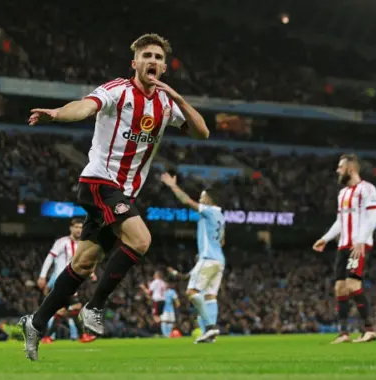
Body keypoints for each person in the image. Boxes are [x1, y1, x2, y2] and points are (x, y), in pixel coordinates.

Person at [19, 32, 209, 361]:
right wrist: (58, 114)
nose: (153, 61)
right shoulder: (117, 91)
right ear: (134, 62)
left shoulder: (165, 104)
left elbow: (202, 131)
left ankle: (36, 322)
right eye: (147, 55)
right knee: (140, 239)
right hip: (98, 182)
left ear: (164, 67)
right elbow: (85, 106)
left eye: (159, 57)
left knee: (83, 262)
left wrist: (177, 97)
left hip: (124, 192)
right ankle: (94, 307)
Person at [312, 154, 376, 344]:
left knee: (352, 285)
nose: (337, 170)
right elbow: (340, 222)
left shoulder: (367, 189)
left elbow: (372, 218)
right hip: (343, 244)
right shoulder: (342, 194)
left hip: (359, 244)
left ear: (351, 169)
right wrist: (325, 238)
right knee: (340, 288)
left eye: (340, 167)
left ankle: (369, 329)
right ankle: (344, 333)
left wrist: (360, 240)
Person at [161, 173, 225, 343]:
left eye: (202, 197)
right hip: (219, 260)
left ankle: (211, 327)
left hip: (208, 258)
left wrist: (172, 186)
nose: (200, 199)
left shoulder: (209, 211)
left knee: (191, 292)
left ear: (209, 200)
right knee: (210, 296)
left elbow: (186, 202)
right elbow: (222, 240)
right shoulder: (221, 216)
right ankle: (210, 335)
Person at [37, 219, 95, 343]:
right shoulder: (62, 242)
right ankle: (82, 335)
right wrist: (42, 276)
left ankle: (47, 337)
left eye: (81, 227)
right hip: (61, 280)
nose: (79, 230)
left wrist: (91, 273)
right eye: (77, 227)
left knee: (62, 311)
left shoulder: (82, 244)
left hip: (71, 281)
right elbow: (50, 258)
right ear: (71, 228)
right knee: (75, 306)